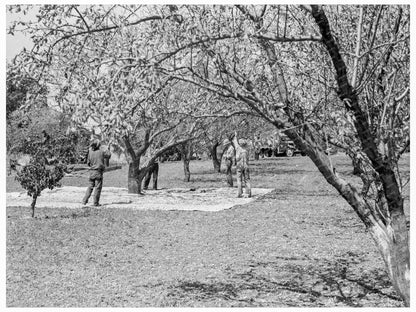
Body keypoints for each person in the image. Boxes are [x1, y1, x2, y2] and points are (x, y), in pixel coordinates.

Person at [82, 139, 111, 206]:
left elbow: (88, 163)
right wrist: (107, 148)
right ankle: (95, 203)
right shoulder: (101, 151)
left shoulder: (90, 152)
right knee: (98, 188)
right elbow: (108, 155)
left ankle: (84, 200)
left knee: (90, 187)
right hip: (98, 172)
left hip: (92, 172)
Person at [232, 132, 251, 198]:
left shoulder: (237, 148)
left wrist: (235, 135)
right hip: (246, 166)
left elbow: (234, 141)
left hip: (239, 166)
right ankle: (248, 193)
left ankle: (239, 193)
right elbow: (249, 141)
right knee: (247, 179)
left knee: (239, 179)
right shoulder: (247, 149)